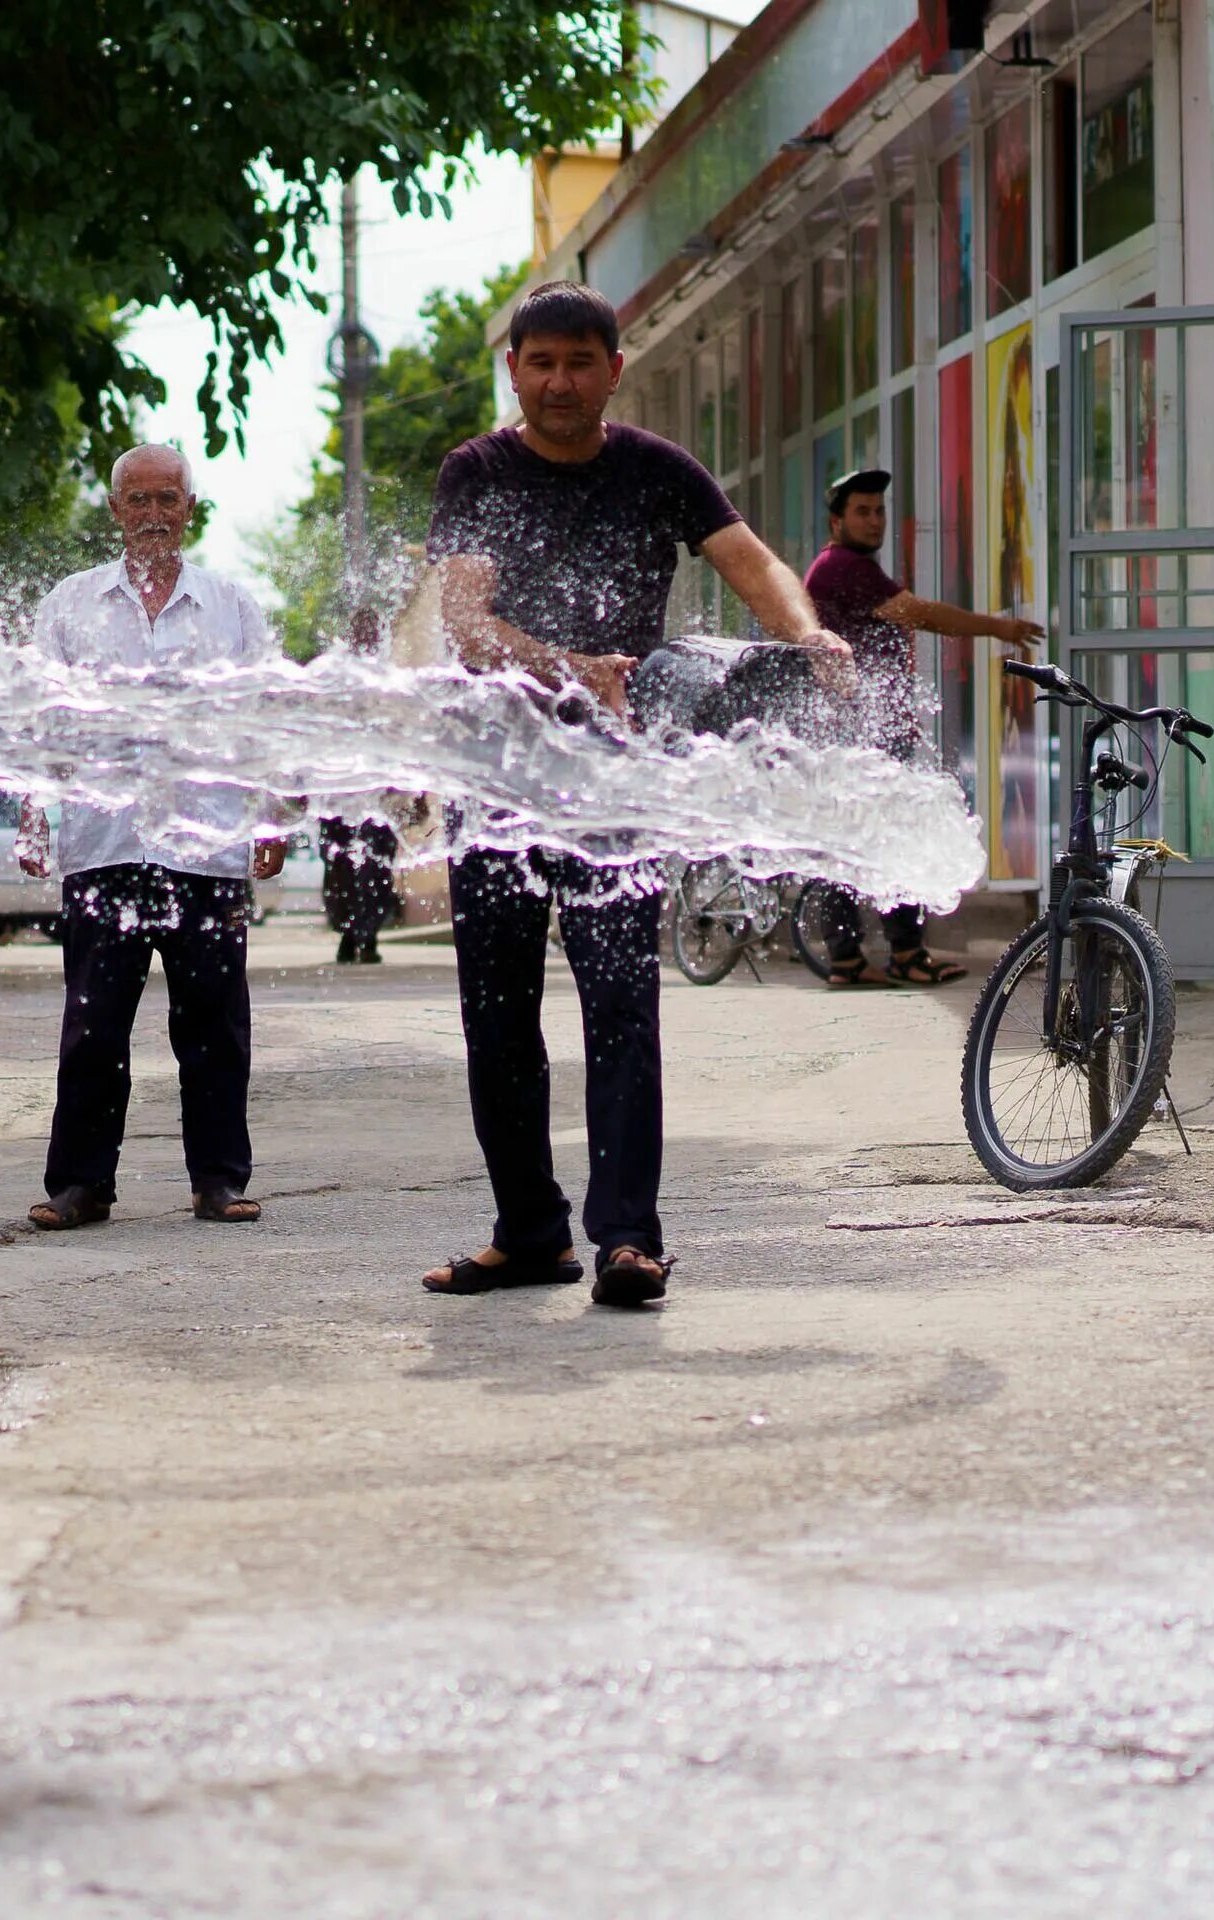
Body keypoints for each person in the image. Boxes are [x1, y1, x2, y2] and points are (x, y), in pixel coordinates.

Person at [422, 280, 854, 1309]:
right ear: (514, 370)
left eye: (581, 362)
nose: (561, 381)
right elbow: (467, 624)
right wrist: (566, 664)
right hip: (498, 776)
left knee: (621, 1003)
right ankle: (528, 1233)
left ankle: (627, 1238)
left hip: (618, 777)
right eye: (541, 362)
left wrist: (810, 633)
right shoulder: (476, 471)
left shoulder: (659, 469)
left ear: (615, 371)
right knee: (499, 1016)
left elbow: (752, 563)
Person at [16, 444, 285, 1232]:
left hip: (207, 848)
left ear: (190, 509)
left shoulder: (231, 606)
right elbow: (41, 720)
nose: (154, 516)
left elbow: (267, 715)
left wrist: (271, 813)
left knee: (214, 1025)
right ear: (116, 510)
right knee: (94, 1026)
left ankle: (219, 1182)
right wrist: (36, 807)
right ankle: (79, 1185)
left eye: (169, 500)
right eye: (140, 501)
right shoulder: (70, 604)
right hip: (105, 846)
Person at [804, 468, 1044, 987]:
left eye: (879, 510)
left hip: (858, 732)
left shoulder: (845, 567)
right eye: (862, 511)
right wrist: (996, 627)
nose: (873, 520)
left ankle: (856, 957)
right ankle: (898, 954)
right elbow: (920, 614)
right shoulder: (843, 567)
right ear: (836, 521)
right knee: (895, 835)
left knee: (860, 839)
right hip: (861, 735)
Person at [319, 606, 399, 964]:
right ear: (351, 633)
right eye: (362, 629)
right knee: (338, 866)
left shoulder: (390, 678)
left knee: (376, 867)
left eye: (374, 629)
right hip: (336, 792)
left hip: (378, 796)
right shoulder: (333, 674)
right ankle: (347, 933)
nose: (368, 635)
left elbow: (400, 736)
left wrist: (410, 788)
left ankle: (369, 936)